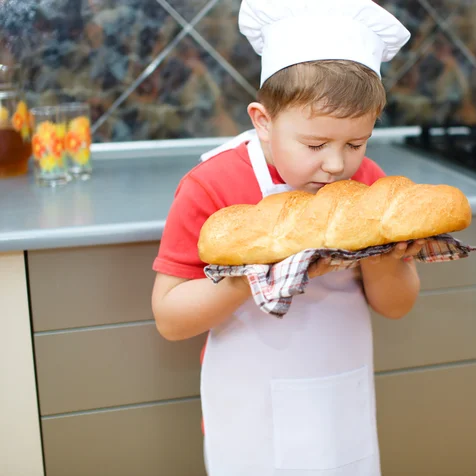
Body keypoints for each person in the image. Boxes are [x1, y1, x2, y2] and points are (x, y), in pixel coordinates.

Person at [151, 1, 421, 474]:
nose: (337, 165)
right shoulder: (213, 186)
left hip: (341, 405)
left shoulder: (369, 185)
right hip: (250, 415)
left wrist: (380, 257)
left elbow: (397, 305)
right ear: (264, 121)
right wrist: (258, 275)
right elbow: (171, 320)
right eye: (315, 145)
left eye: (356, 143)